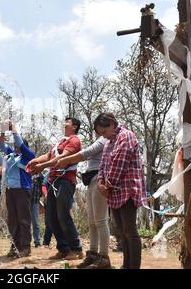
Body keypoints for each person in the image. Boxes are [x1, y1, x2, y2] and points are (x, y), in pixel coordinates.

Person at [94, 113, 146, 269]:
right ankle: (126, 265)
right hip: (113, 193)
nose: (103, 136)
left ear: (111, 124)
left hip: (128, 190)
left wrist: (107, 186)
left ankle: (133, 266)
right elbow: (103, 165)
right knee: (122, 232)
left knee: (130, 230)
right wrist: (100, 183)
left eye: (104, 132)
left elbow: (120, 164)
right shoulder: (108, 143)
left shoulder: (126, 136)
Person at [27, 117, 83, 260]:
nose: (64, 123)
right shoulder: (60, 142)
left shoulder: (74, 140)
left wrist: (42, 167)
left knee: (63, 215)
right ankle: (63, 248)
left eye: (67, 122)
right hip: (53, 181)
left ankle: (76, 248)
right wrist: (36, 161)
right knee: (51, 218)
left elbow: (62, 159)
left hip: (65, 180)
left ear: (74, 126)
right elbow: (48, 156)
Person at [57, 127, 111, 269]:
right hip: (92, 181)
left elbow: (87, 153)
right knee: (92, 222)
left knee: (101, 221)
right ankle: (92, 255)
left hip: (100, 180)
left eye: (98, 128)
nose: (96, 131)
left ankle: (104, 257)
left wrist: (66, 159)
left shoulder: (104, 139)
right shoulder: (100, 139)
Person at [0, 121, 35, 258]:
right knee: (12, 220)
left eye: (17, 145)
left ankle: (25, 247)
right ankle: (15, 247)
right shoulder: (11, 155)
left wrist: (14, 130)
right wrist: (3, 131)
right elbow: (2, 145)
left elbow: (20, 143)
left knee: (23, 219)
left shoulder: (28, 155)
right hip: (10, 191)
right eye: (14, 146)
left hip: (22, 190)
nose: (15, 147)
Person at [30, 173, 44, 248]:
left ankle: (37, 241)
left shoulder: (40, 176)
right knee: (26, 222)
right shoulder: (26, 173)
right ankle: (26, 241)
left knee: (35, 222)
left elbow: (43, 186)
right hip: (26, 200)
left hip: (35, 201)